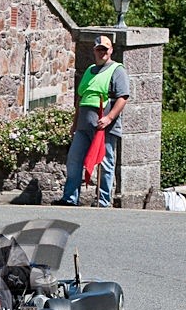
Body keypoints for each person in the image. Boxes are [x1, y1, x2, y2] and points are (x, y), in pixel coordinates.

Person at [52, 35, 130, 208]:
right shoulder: (89, 70)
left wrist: (109, 118)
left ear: (111, 51)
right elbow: (81, 99)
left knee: (105, 162)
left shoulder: (117, 70)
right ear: (94, 50)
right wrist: (74, 123)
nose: (102, 52)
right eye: (99, 49)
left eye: (105, 49)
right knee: (74, 159)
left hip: (104, 126)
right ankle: (70, 198)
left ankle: (103, 201)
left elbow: (123, 97)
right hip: (84, 126)